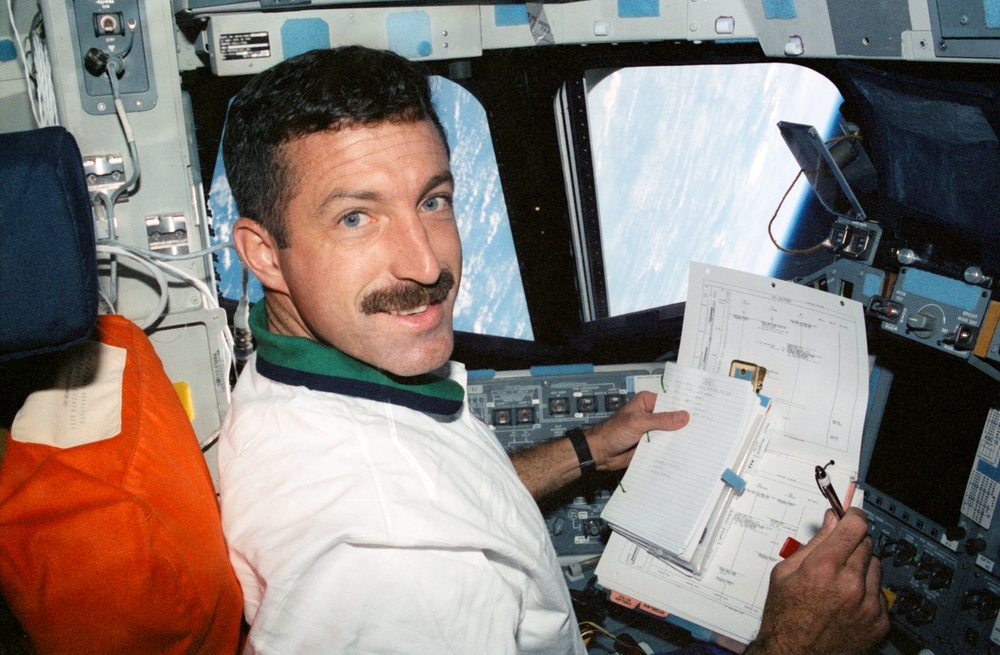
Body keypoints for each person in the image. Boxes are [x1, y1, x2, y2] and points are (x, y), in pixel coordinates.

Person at [219, 45, 889, 654]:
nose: (426, 264)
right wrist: (796, 643)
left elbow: (450, 499)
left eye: (433, 200)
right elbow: (422, 528)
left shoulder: (293, 385)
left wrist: (586, 450)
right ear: (262, 254)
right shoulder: (404, 567)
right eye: (355, 217)